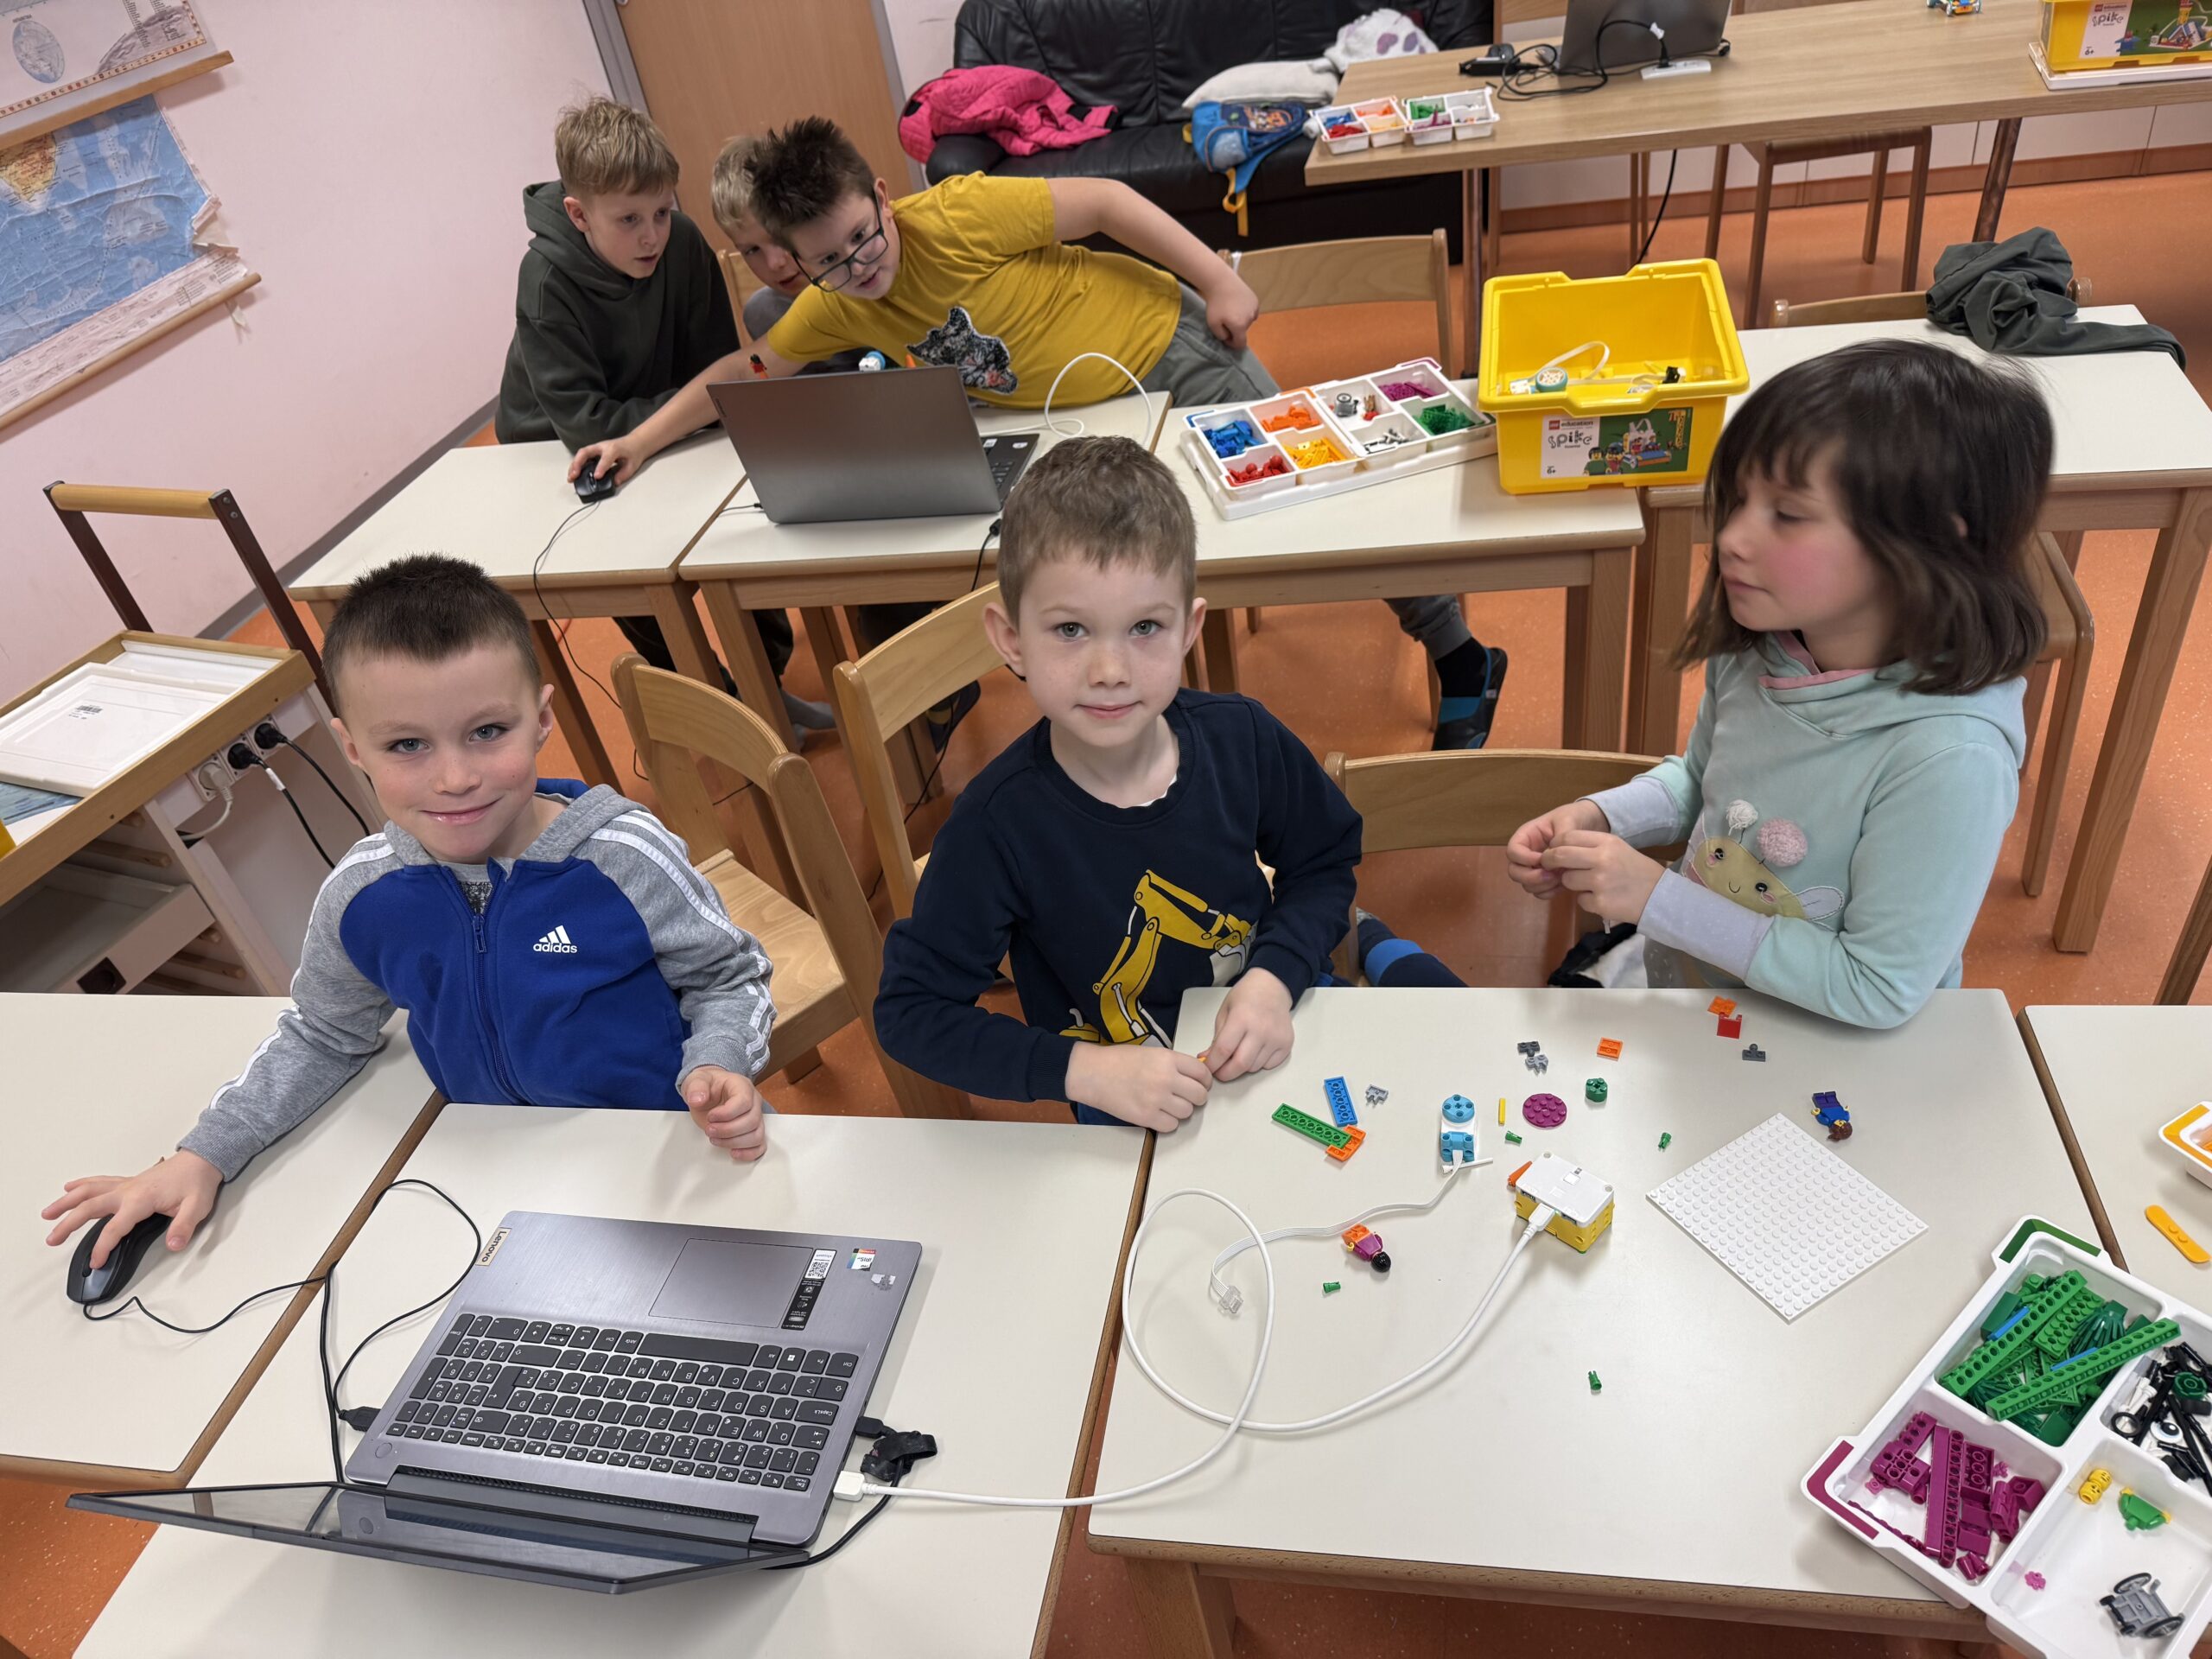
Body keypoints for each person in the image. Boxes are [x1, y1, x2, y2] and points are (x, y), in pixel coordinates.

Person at [580, 116, 1509, 751]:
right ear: (798, 263)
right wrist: (640, 442)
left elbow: (1107, 203)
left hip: (1169, 349)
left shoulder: (958, 215)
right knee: (1111, 561)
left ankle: (1459, 653)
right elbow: (745, 372)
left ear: (881, 196)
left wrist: (1221, 280)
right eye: (828, 261)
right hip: (1077, 416)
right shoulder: (835, 304)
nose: (857, 268)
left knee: (1307, 492)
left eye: (864, 237)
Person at [42, 556, 777, 1272]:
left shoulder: (623, 855)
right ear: (352, 749)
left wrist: (719, 1062)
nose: (455, 778)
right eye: (407, 745)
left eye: (487, 732)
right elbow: (323, 1033)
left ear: (542, 719)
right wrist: (204, 1153)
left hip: (673, 1153)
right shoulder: (364, 894)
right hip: (501, 1180)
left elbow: (729, 978)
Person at [1499, 340, 2050, 1026]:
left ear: (1931, 541)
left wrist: (1657, 900)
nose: (1732, 537)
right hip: (1696, 1011)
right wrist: (1605, 816)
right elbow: (1702, 781)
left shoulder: (1950, 759)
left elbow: (1877, 988)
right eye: (1738, 501)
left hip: (1823, 1057)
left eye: (1787, 514)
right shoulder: (1761, 649)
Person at [872, 437, 1362, 1128]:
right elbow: (911, 1012)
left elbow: (1324, 863)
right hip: (1118, 1097)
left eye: (1145, 627)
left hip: (1266, 1024)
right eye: (1071, 629)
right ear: (1011, 639)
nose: (1110, 670)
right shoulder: (995, 826)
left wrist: (1273, 977)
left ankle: (1375, 948)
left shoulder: (1242, 738)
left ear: (1189, 628)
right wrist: (1083, 1070)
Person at [494, 97, 826, 733]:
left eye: (662, 212)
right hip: (555, 451)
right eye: (629, 219)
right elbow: (587, 425)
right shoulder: (544, 280)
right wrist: (689, 410)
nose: (652, 235)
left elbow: (720, 377)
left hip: (661, 425)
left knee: (742, 528)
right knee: (636, 576)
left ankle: (766, 687)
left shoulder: (685, 244)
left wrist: (688, 413)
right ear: (578, 215)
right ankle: (717, 706)